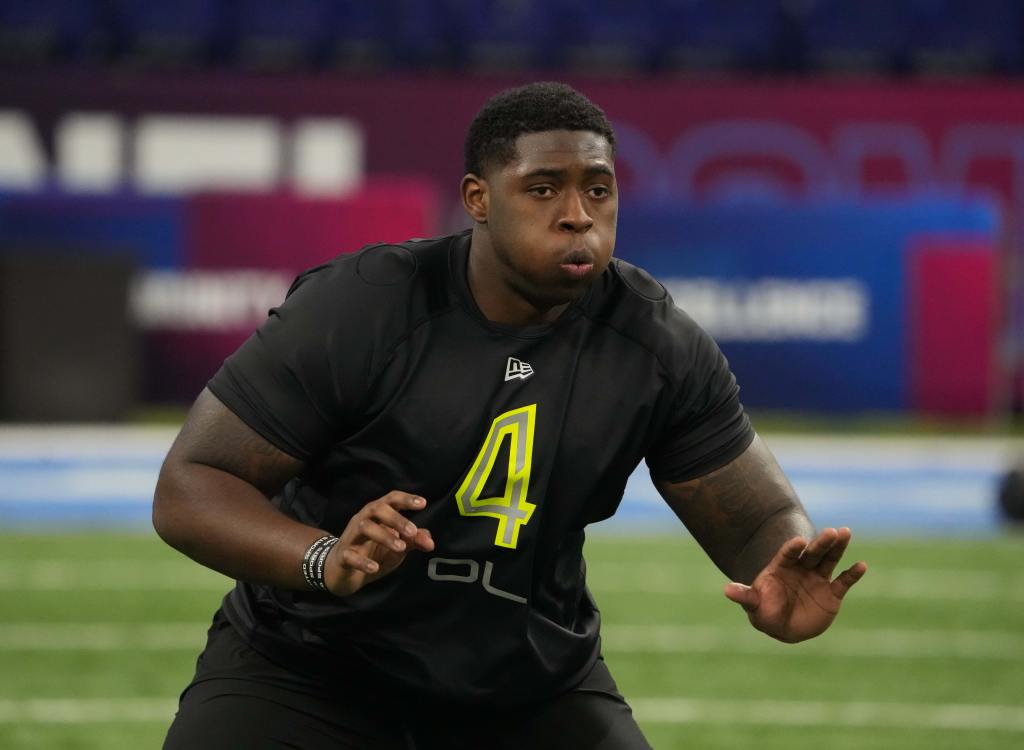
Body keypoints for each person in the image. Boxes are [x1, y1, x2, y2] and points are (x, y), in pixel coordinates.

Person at [154, 81, 867, 749]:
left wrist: (781, 563)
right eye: (543, 188)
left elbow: (750, 519)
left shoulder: (654, 341)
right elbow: (192, 484)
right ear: (479, 198)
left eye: (598, 189)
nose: (577, 214)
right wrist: (321, 557)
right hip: (309, 667)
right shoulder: (363, 307)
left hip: (527, 683)